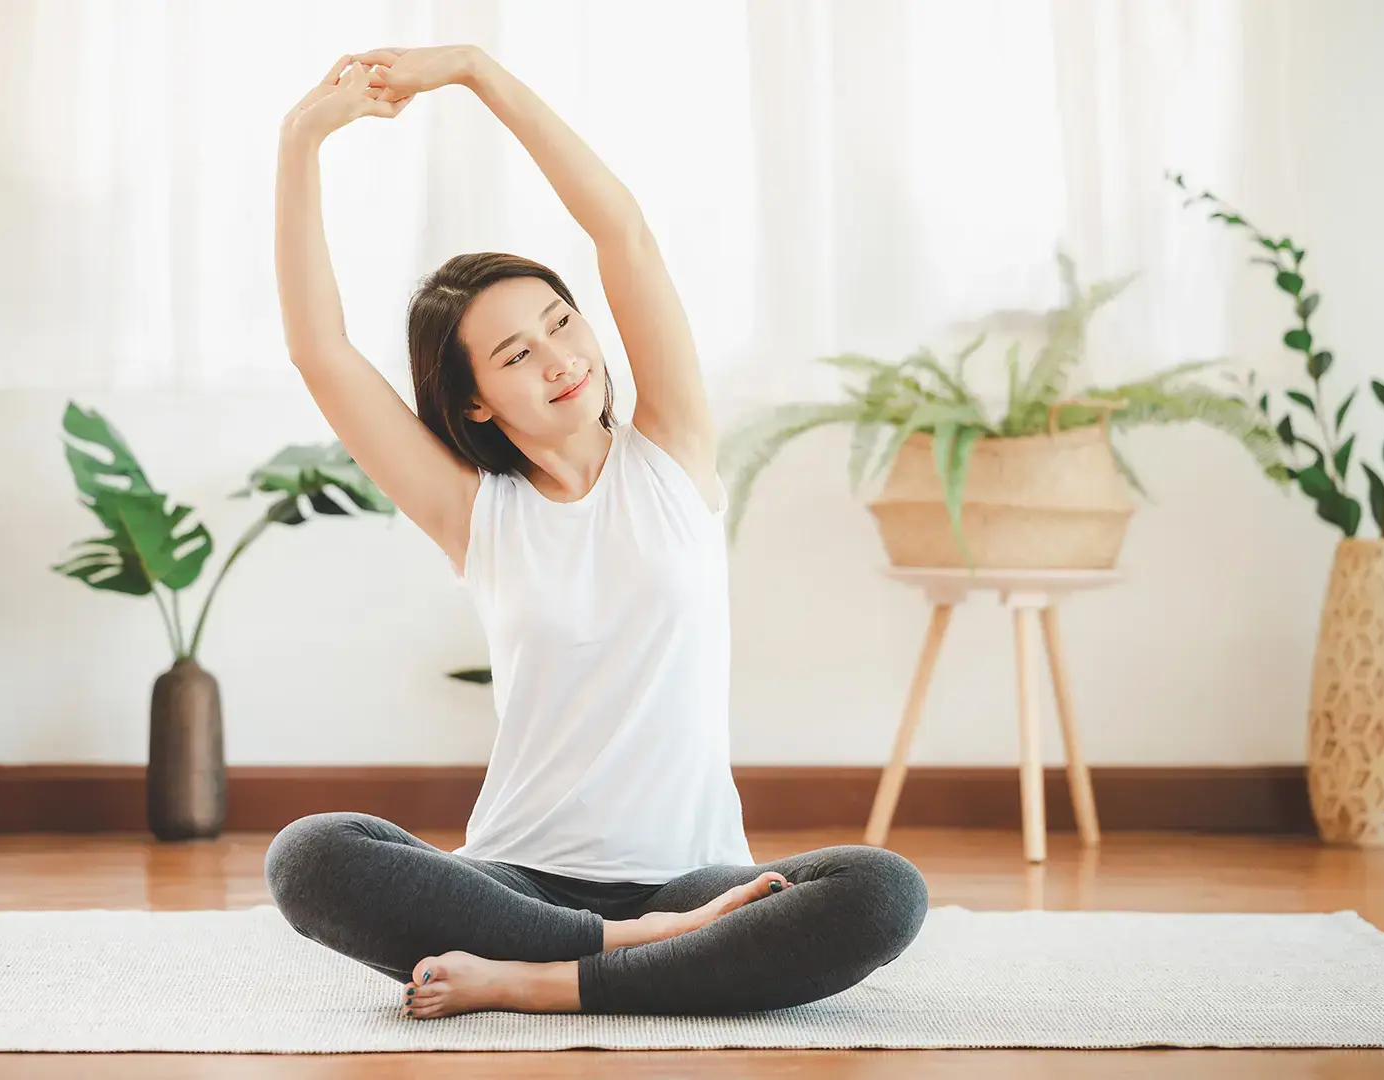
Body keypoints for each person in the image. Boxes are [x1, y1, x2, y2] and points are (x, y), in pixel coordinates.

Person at [267, 44, 927, 1020]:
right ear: (477, 405)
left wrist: (476, 73)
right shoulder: (476, 512)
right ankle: (622, 957)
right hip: (518, 883)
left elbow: (622, 232)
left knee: (882, 894)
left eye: (562, 323)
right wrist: (300, 139)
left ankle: (539, 982)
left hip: (696, 883)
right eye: (516, 354)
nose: (561, 359)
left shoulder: (672, 453)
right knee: (310, 856)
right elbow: (319, 351)